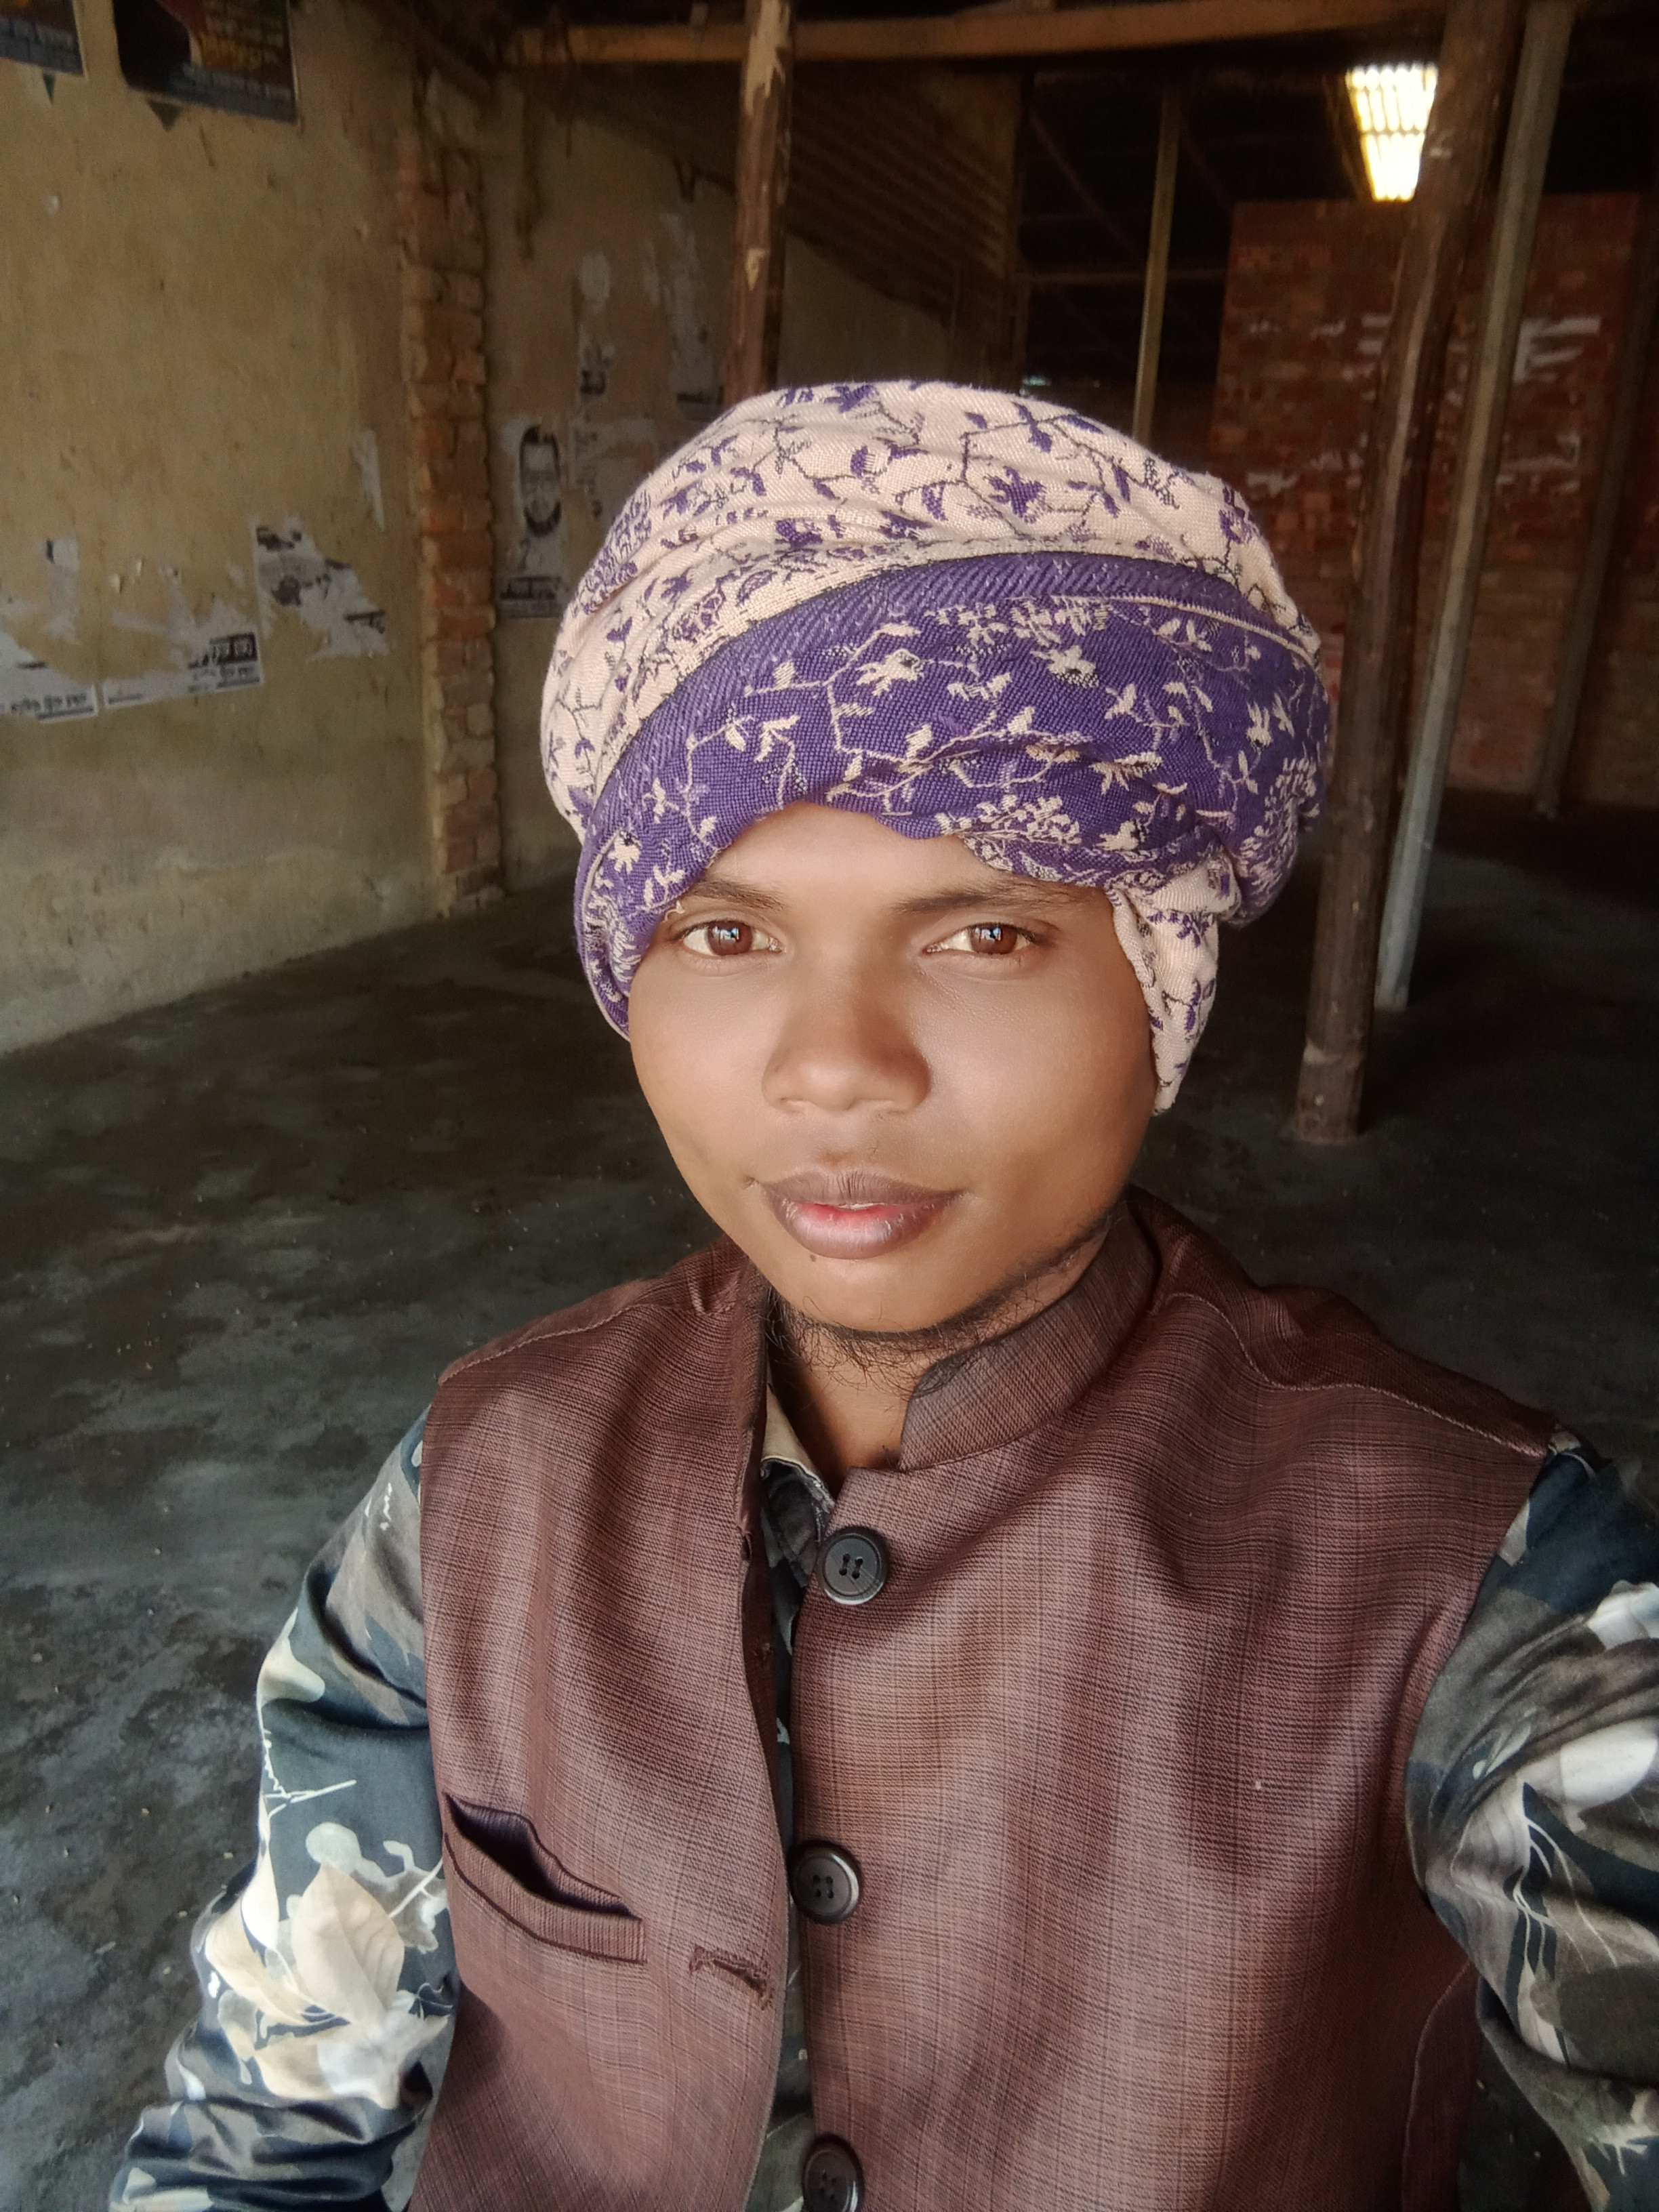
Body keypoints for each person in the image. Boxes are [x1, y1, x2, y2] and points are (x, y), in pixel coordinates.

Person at [112, 382, 1659, 2212]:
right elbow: (263, 2129)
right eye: (726, 932)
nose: (834, 1066)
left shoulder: (1486, 1584)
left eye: (984, 934)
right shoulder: (476, 1493)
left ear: (1160, 989)